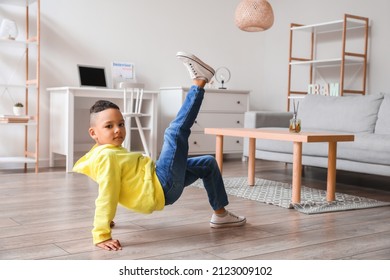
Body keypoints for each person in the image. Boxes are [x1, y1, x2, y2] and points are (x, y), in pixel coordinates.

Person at [73, 52, 246, 251]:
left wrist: (109, 220)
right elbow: (106, 194)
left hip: (160, 183)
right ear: (93, 133)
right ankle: (199, 82)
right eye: (109, 126)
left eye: (120, 124)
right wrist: (101, 234)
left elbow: (113, 186)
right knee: (174, 132)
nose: (118, 130)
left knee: (207, 163)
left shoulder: (104, 153)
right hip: (162, 184)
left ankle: (221, 215)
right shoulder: (107, 157)